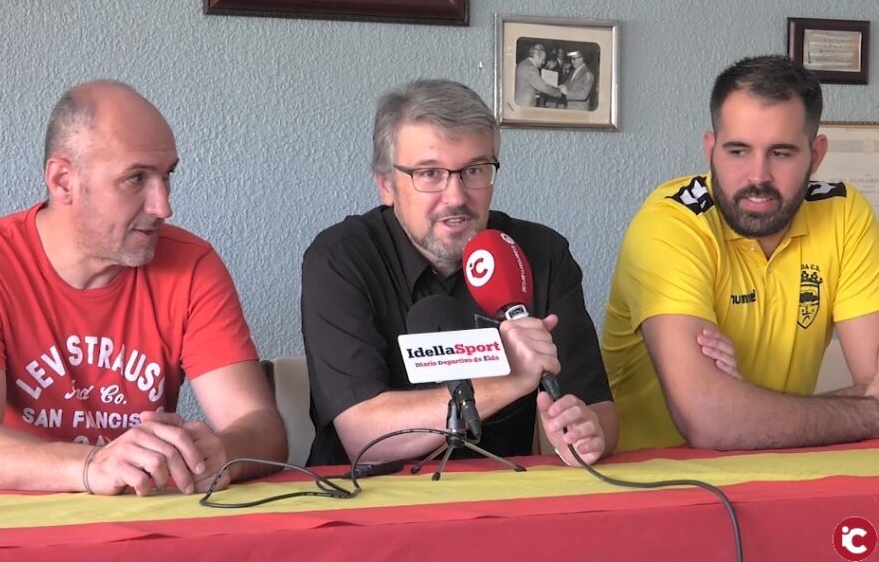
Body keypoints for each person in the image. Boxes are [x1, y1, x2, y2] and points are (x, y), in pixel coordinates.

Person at [0, 80, 287, 495]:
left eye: (167, 176)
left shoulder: (192, 264)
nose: (163, 206)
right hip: (14, 522)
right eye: (135, 179)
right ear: (63, 182)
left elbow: (262, 426)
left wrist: (221, 450)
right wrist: (94, 466)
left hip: (143, 519)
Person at [302, 79, 617, 467]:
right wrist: (511, 382)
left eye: (474, 170)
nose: (455, 197)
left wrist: (585, 432)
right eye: (430, 174)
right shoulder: (340, 259)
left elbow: (598, 410)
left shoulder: (542, 254)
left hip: (504, 497)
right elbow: (365, 434)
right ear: (386, 185)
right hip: (365, 504)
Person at [602, 55, 879, 452]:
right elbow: (709, 422)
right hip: (646, 485)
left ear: (815, 155)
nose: (758, 177)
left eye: (781, 153)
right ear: (710, 150)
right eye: (738, 151)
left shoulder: (844, 212)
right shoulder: (671, 224)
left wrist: (740, 407)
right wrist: (865, 415)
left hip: (772, 471)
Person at [514, 43, 565, 108]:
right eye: (542, 59)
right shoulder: (530, 67)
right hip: (525, 106)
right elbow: (543, 87)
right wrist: (559, 91)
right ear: (536, 56)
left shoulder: (523, 63)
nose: (543, 62)